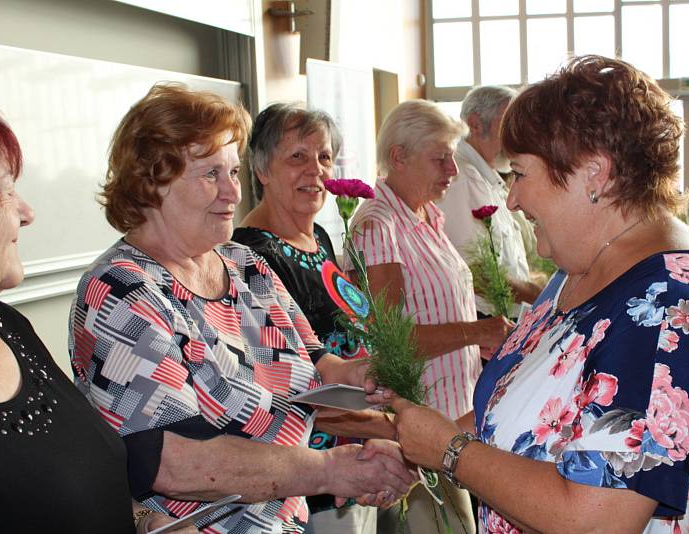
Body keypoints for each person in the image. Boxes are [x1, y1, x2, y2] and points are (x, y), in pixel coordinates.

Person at [389, 55, 689, 533]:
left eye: (520, 174)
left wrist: (451, 451)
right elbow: (526, 408)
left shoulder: (672, 304)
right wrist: (410, 439)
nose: (512, 199)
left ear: (594, 174)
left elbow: (594, 519)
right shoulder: (584, 269)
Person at [68, 84, 414, 534]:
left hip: (288, 520)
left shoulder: (243, 264)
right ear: (152, 181)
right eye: (211, 174)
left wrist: (358, 374)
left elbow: (313, 362)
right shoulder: (121, 290)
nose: (232, 192)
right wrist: (329, 468)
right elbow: (171, 462)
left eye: (233, 171)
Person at [0, 101, 195, 533]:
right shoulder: (120, 284)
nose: (27, 213)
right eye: (5, 191)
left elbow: (83, 477)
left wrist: (144, 519)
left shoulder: (8, 326)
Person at [347, 99, 515, 534]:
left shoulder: (427, 216)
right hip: (421, 435)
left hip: (456, 423)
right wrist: (475, 330)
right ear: (399, 157)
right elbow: (393, 343)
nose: (453, 171)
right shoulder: (377, 225)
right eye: (440, 158)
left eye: (452, 158)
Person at [232, 103, 378, 533]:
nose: (315, 170)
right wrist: (389, 426)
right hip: (308, 470)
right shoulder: (252, 256)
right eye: (297, 157)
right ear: (261, 170)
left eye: (324, 157)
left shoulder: (319, 236)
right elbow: (279, 386)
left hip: (355, 450)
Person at [436, 86, 542, 318]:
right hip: (482, 320)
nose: (517, 136)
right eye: (508, 125)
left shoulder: (486, 176)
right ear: (475, 125)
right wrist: (538, 294)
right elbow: (472, 271)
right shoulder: (461, 178)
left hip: (502, 316)